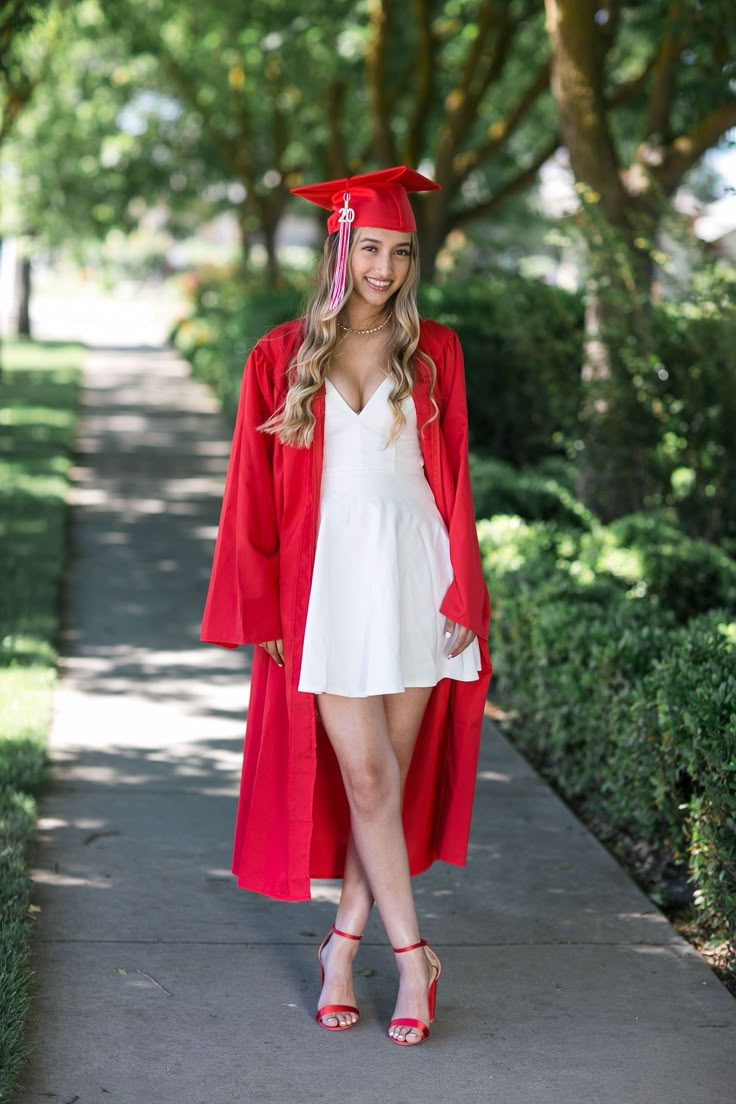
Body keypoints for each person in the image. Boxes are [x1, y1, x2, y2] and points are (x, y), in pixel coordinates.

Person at [200, 165, 492, 1047]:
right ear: (341, 247)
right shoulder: (282, 356)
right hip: (328, 592)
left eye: (401, 252)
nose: (386, 268)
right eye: (371, 248)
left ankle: (341, 949)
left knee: (387, 789)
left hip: (415, 579)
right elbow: (250, 495)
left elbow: (456, 484)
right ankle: (414, 960)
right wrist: (266, 614)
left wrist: (463, 590)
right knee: (365, 778)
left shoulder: (434, 350)